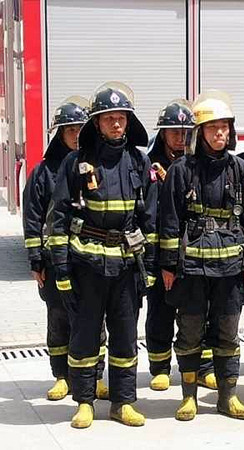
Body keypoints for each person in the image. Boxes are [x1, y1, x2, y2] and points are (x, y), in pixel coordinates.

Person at [49, 82, 157, 428]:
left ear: (128, 121)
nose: (116, 123)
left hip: (126, 267)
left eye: (121, 117)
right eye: (108, 118)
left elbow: (150, 220)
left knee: (125, 336)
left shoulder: (139, 162)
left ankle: (123, 402)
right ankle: (84, 402)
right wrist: (61, 271)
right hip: (87, 265)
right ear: (96, 123)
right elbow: (58, 219)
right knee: (84, 335)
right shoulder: (76, 162)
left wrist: (149, 269)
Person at [159, 90, 244, 421]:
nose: (220, 133)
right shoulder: (181, 171)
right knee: (189, 332)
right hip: (191, 270)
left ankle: (227, 397)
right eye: (213, 127)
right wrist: (168, 266)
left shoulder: (241, 170)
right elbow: (169, 221)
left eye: (224, 127)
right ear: (199, 132)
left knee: (228, 334)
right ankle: (188, 396)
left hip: (230, 270)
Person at [23, 96, 108, 401]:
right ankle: (62, 376)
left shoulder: (96, 167)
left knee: (94, 318)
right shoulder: (43, 173)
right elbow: (32, 218)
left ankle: (96, 376)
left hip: (89, 258)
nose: (75, 135)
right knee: (59, 318)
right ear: (59, 134)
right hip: (55, 259)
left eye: (80, 129)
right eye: (70, 130)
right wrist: (36, 260)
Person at [144, 99, 216, 392]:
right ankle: (160, 368)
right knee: (160, 310)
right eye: (174, 131)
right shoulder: (149, 165)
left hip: (196, 251)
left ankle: (203, 368)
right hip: (161, 250)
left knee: (200, 312)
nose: (181, 137)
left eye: (186, 132)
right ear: (162, 133)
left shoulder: (200, 164)